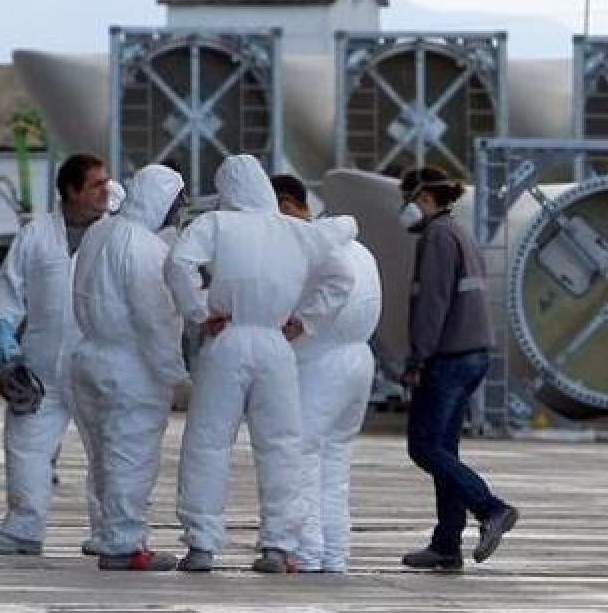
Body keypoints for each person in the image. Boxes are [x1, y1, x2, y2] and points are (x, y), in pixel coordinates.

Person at [165, 155, 356, 573]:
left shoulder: (215, 224)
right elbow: (341, 277)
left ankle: (202, 543)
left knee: (208, 443)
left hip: (227, 338)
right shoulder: (298, 232)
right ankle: (278, 544)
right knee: (281, 444)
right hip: (275, 342)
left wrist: (199, 311)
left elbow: (178, 263)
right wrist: (305, 320)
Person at [0, 153, 110, 556]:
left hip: (98, 363)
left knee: (110, 450)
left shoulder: (117, 235)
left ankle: (114, 533)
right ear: (71, 190)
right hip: (42, 365)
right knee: (26, 445)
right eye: (96, 185)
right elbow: (9, 287)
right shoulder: (36, 234)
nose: (105, 191)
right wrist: (3, 328)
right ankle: (23, 528)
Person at [397, 166, 519, 571]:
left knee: (424, 447)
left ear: (424, 198)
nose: (405, 209)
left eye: (408, 200)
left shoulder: (436, 237)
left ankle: (490, 508)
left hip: (448, 357)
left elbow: (431, 303)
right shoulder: (459, 232)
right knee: (444, 451)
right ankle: (446, 545)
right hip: (472, 354)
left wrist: (418, 359)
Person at [71, 164, 188, 571]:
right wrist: (175, 374)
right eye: (176, 206)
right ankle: (124, 545)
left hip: (89, 356)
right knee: (131, 456)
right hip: (131, 366)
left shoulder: (100, 232)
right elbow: (155, 319)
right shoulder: (145, 247)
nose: (177, 215)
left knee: (104, 457)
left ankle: (109, 533)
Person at [272, 174, 380, 573]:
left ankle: (305, 550)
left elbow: (323, 293)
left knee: (300, 454)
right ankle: (334, 551)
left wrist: (299, 323)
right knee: (335, 461)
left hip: (318, 361)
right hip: (359, 361)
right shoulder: (360, 250)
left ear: (285, 205)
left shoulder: (309, 248)